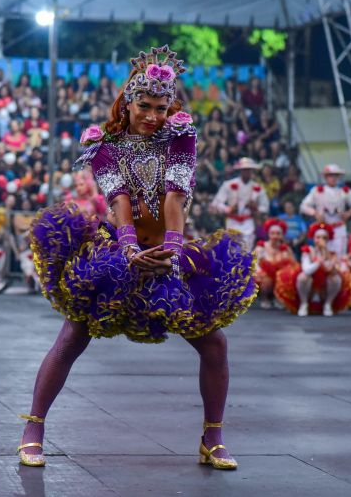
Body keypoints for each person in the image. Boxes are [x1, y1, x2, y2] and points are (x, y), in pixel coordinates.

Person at [23, 45, 255, 471]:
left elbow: (175, 196)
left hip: (172, 246)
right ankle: (33, 429)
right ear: (126, 102)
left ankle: (213, 437)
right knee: (73, 338)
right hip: (119, 250)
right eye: (144, 106)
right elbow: (119, 200)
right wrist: (130, 250)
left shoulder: (181, 135)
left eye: (161, 108)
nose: (153, 115)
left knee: (215, 344)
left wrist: (173, 250)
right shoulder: (103, 144)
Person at [275, 222, 351, 317]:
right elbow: (307, 270)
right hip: (310, 287)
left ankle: (328, 304)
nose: (321, 240)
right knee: (303, 277)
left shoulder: (332, 254)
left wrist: (325, 253)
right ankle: (304, 303)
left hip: (324, 288)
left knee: (336, 278)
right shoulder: (308, 251)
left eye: (324, 238)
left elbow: (331, 269)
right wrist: (318, 262)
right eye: (318, 237)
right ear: (314, 239)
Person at [299, 164, 351, 256]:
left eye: (335, 176)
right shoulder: (317, 191)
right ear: (325, 177)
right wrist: (315, 213)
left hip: (338, 228)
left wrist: (349, 213)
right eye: (330, 175)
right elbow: (303, 206)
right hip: (322, 227)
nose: (333, 178)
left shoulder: (344, 192)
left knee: (339, 255)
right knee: (321, 254)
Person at [210, 157, 270, 251]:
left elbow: (265, 207)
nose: (247, 172)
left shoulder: (258, 188)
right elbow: (216, 203)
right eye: (244, 170)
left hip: (248, 222)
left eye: (249, 170)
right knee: (232, 249)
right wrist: (228, 209)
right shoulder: (229, 184)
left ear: (252, 171)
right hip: (232, 220)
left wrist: (256, 208)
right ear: (240, 171)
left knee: (247, 249)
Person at [254, 218, 296, 309]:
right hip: (265, 277)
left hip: (280, 277)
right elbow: (254, 265)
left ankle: (279, 298)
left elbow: (294, 265)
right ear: (268, 234)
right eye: (272, 233)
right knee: (266, 279)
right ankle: (264, 298)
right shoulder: (261, 247)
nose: (275, 236)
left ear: (282, 235)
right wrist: (261, 273)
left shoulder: (286, 249)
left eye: (278, 234)